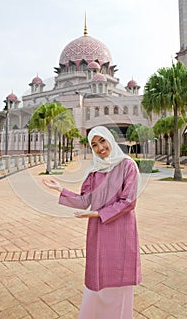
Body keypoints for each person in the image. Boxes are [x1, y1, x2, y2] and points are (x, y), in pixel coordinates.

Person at [42, 125, 142, 319]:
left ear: (110, 140)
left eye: (102, 141)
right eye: (94, 145)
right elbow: (84, 200)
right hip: (99, 231)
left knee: (120, 278)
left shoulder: (127, 165)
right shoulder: (94, 173)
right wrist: (60, 189)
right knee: (98, 278)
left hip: (121, 230)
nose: (100, 148)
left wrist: (98, 214)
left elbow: (128, 201)